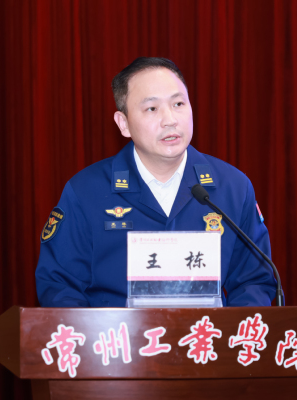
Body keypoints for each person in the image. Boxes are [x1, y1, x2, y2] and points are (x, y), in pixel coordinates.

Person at [36, 57, 276, 307]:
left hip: (205, 332)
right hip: (116, 333)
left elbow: (254, 282)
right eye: (152, 108)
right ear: (124, 124)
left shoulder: (233, 187)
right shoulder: (86, 192)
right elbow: (60, 286)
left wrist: (229, 332)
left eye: (178, 104)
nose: (170, 119)